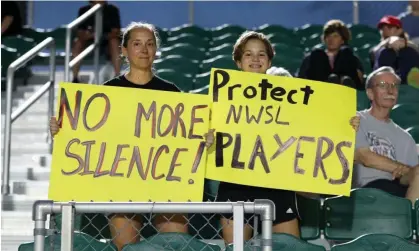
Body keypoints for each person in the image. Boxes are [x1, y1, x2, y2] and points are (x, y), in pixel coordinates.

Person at [50, 22, 213, 251]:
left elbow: (184, 142)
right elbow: (92, 138)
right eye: (137, 44)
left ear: (156, 51)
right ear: (124, 51)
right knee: (124, 247)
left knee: (176, 243)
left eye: (149, 44)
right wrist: (62, 130)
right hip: (123, 185)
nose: (144, 50)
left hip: (165, 184)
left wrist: (202, 140)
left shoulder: (172, 92)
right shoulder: (108, 92)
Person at [212, 31, 361, 244]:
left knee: (291, 248)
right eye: (248, 54)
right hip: (235, 187)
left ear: (269, 60)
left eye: (261, 54)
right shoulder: (222, 97)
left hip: (278, 186)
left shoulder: (291, 98)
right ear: (237, 61)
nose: (255, 59)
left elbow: (318, 130)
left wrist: (346, 126)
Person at [353, 66, 419, 204]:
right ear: (370, 93)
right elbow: (364, 157)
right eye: (383, 85)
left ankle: (411, 222)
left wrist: (411, 173)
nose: (390, 90)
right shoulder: (356, 120)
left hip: (397, 191)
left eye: (394, 86)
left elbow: (408, 177)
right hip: (364, 190)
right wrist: (400, 168)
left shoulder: (405, 138)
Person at [298, 20, 364, 90]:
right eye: (328, 36)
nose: (331, 39)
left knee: (346, 52)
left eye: (335, 36)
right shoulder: (312, 57)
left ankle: (344, 84)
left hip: (345, 90)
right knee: (317, 53)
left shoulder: (351, 58)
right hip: (319, 90)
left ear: (343, 40)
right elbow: (301, 78)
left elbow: (360, 80)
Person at [71, 1, 121, 83]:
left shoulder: (112, 10)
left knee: (114, 42)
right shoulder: (83, 10)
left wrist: (101, 36)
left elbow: (116, 31)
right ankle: (75, 78)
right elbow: (80, 32)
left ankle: (117, 77)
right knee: (77, 42)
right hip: (89, 44)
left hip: (106, 43)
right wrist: (90, 35)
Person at [369, 15, 419, 85]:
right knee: (385, 52)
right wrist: (388, 41)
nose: (384, 30)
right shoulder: (377, 49)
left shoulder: (410, 47)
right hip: (383, 79)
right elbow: (373, 54)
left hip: (406, 78)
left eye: (389, 27)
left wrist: (405, 43)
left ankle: (410, 81)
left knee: (408, 51)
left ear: (399, 30)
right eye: (382, 28)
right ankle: (386, 82)